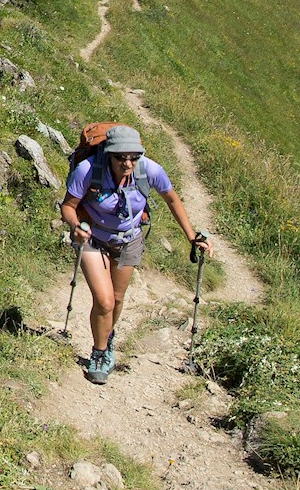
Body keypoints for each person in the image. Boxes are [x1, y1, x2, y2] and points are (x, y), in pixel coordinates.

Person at [59, 124, 208, 385]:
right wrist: (75, 227)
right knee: (104, 300)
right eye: (120, 157)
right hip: (93, 236)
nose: (127, 163)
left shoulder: (149, 169)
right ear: (108, 153)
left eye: (133, 157)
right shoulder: (88, 170)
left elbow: (172, 199)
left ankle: (108, 335)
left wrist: (192, 237)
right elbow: (68, 206)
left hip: (129, 239)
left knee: (117, 299)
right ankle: (100, 353)